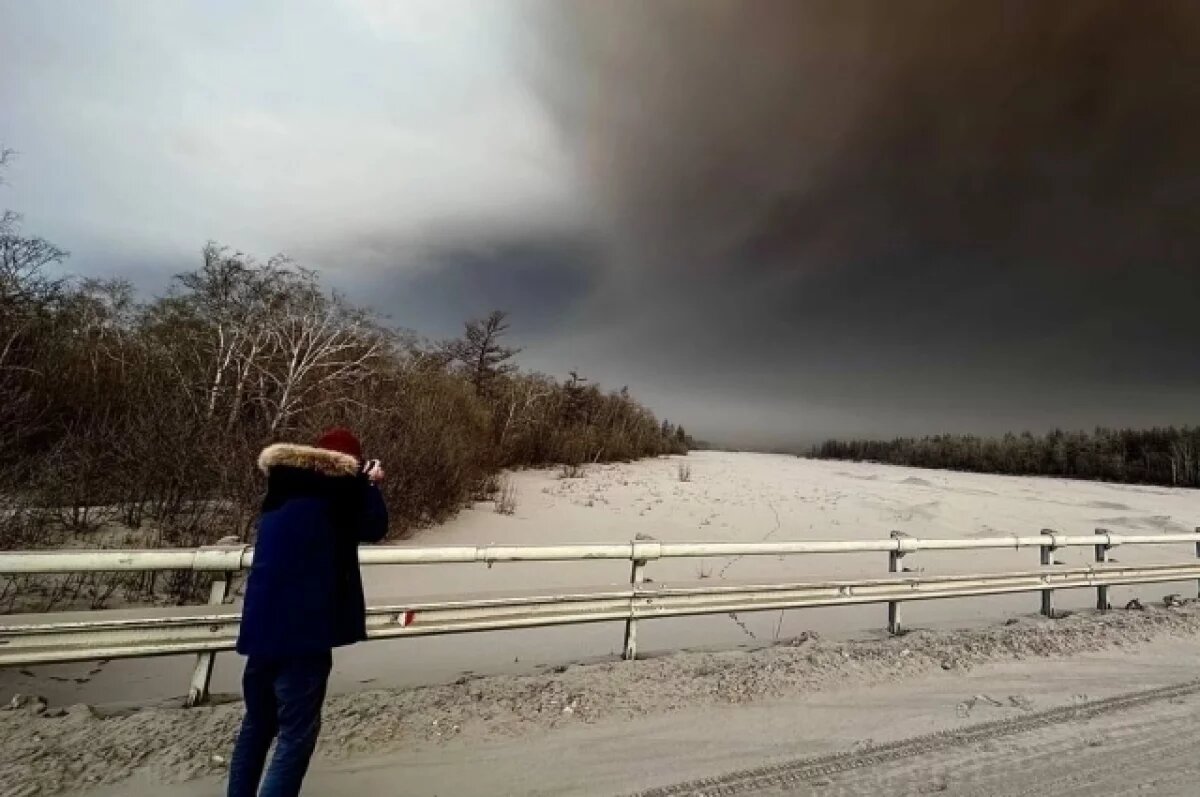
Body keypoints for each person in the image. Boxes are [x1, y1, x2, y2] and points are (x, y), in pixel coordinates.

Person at [228, 427, 388, 797]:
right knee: (296, 736)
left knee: (257, 724)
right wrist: (370, 486)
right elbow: (375, 527)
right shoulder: (339, 494)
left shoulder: (281, 488)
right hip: (305, 632)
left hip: (261, 628)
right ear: (350, 464)